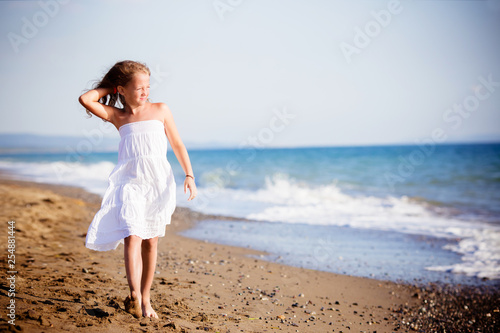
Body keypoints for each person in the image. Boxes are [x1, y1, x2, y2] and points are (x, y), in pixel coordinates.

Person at [79, 60, 197, 319]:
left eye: (148, 86)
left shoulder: (160, 109)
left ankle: (146, 298)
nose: (145, 92)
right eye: (139, 87)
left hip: (157, 182)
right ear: (122, 89)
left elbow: (177, 144)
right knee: (132, 234)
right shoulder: (118, 116)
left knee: (151, 241)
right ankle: (133, 294)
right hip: (130, 183)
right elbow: (86, 98)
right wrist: (109, 88)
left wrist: (189, 174)